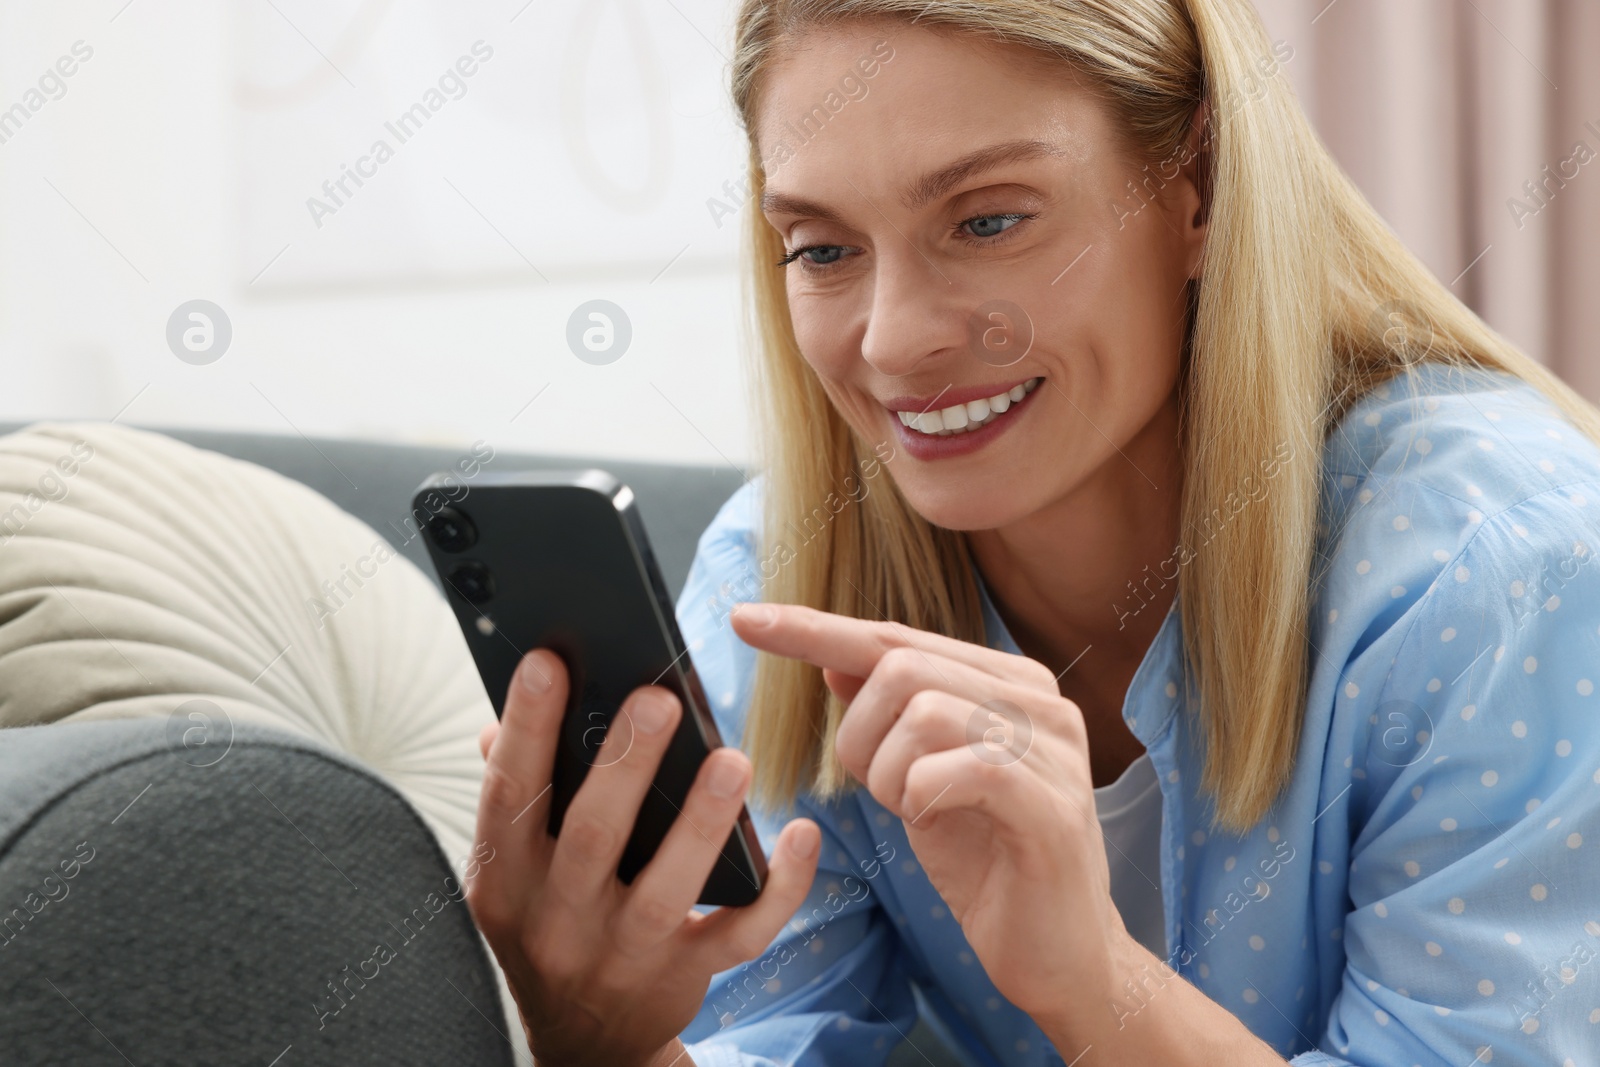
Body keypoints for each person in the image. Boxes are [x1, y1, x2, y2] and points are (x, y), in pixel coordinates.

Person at [463, 1, 1600, 1064]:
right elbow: (767, 1036)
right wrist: (603, 1035)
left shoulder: (1505, 564)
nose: (894, 342)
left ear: (1195, 187)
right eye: (822, 248)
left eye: (988, 219)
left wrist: (1094, 979)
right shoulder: (781, 582)